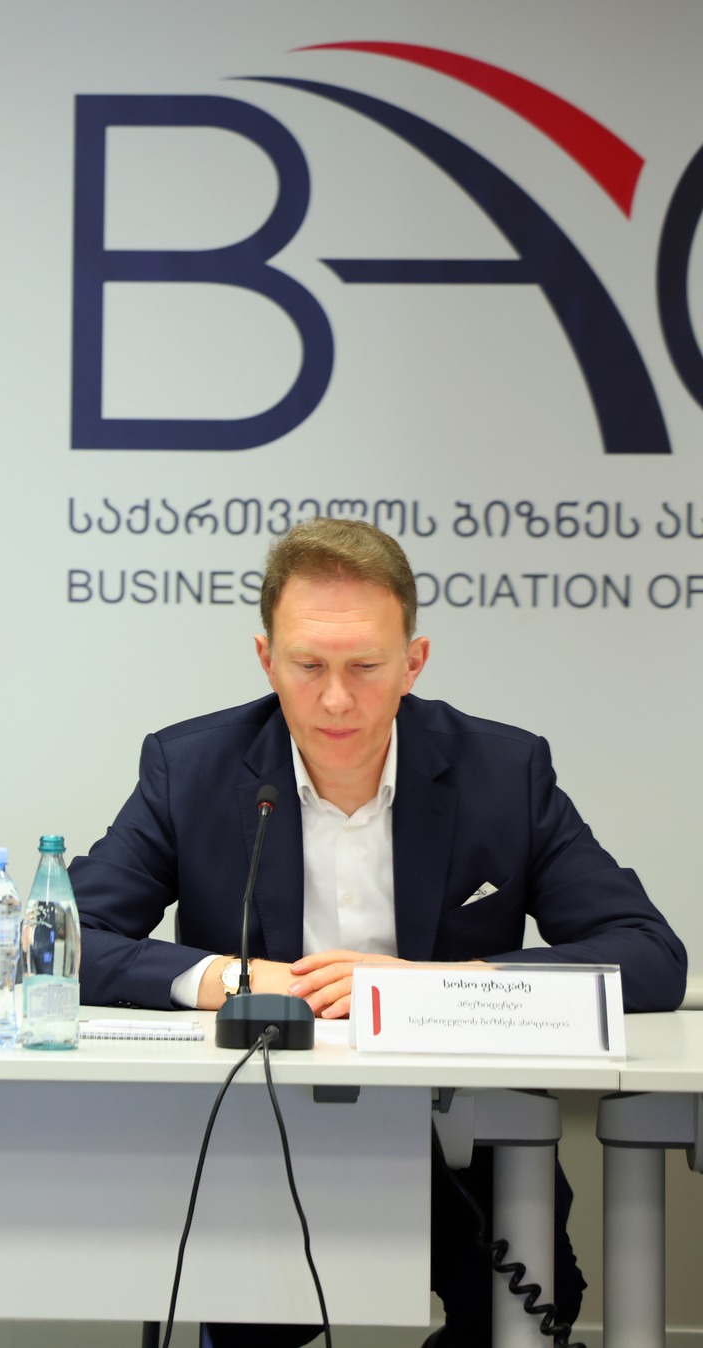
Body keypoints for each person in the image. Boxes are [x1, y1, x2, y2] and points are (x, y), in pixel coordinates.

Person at [71, 517, 686, 1348]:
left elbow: (650, 954)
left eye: (364, 666)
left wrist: (442, 985)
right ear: (266, 660)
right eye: (308, 666)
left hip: (461, 1131)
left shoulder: (504, 772)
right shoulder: (193, 769)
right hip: (264, 1130)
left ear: (413, 662)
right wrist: (237, 980)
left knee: (533, 1305)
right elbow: (65, 940)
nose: (335, 698)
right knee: (252, 1325)